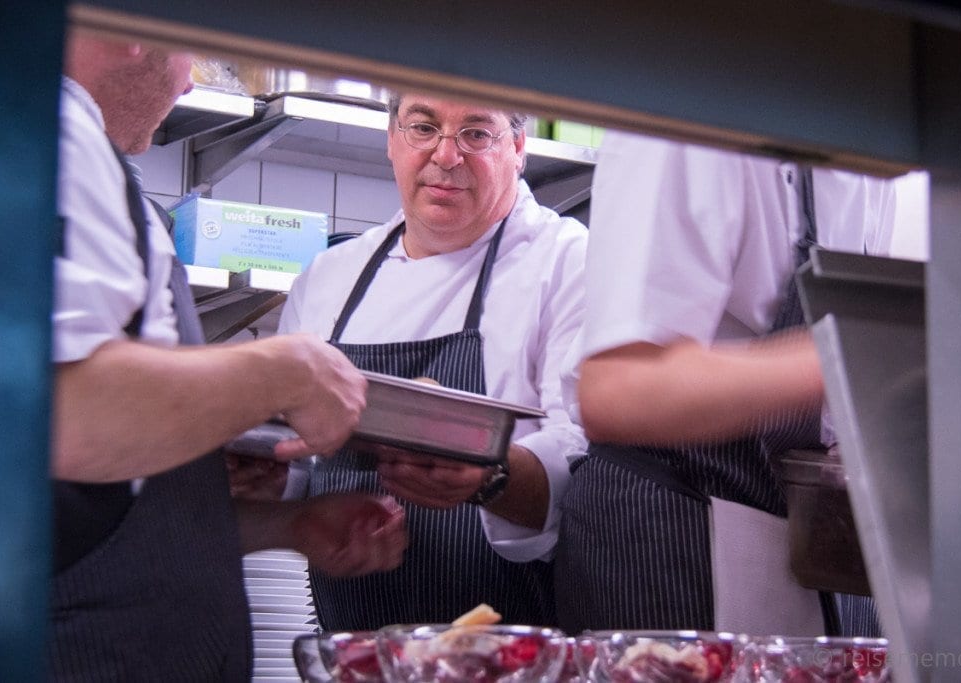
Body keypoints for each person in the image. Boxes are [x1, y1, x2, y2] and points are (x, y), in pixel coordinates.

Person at [50, 32, 407, 681]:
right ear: (135, 30)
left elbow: (100, 501)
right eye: (191, 49)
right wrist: (285, 370)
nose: (190, 85)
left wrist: (287, 525)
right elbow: (68, 413)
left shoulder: (87, 157)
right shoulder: (56, 138)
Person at [555, 130, 897, 637]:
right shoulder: (692, 115)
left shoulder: (874, 153)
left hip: (794, 537)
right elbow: (618, 388)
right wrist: (851, 359)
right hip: (668, 538)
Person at [269, 91, 588, 630]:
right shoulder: (330, 277)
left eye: (476, 133)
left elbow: (583, 458)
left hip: (511, 647)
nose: (446, 156)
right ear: (392, 139)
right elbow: (301, 465)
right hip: (356, 645)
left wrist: (491, 476)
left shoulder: (565, 259)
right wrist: (268, 477)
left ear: (517, 148)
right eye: (423, 127)